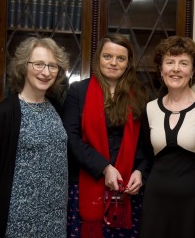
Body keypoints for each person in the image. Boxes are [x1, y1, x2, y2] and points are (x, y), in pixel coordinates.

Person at [0, 37, 70, 237]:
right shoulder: (3, 114)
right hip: (16, 222)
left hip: (55, 221)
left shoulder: (58, 110)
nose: (46, 72)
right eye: (39, 64)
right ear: (23, 66)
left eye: (52, 66)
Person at [62, 33, 152, 238]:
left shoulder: (141, 95)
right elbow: (71, 138)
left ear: (128, 63)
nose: (113, 63)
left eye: (121, 58)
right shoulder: (78, 91)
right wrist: (104, 167)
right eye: (107, 56)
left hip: (127, 192)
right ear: (98, 59)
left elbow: (146, 144)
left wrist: (141, 173)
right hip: (86, 186)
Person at [139, 36, 195, 238]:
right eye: (170, 62)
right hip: (156, 201)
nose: (176, 69)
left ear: (193, 71)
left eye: (184, 63)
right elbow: (145, 154)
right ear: (161, 70)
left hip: (194, 203)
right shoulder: (150, 109)